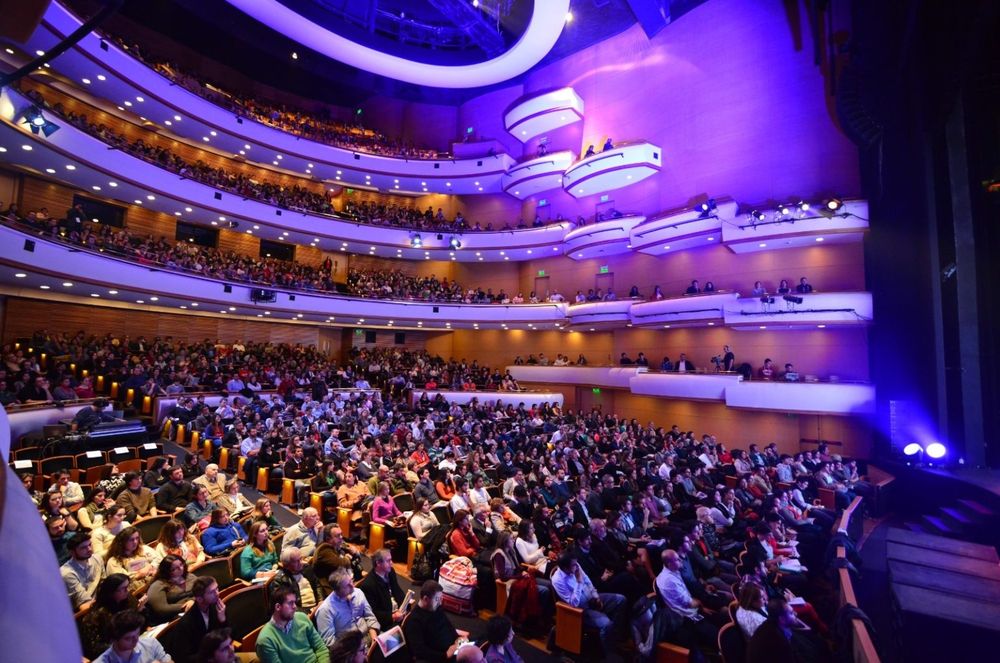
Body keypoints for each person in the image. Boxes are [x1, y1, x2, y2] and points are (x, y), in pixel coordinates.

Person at [550, 553, 625, 648]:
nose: (577, 566)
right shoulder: (557, 580)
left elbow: (587, 580)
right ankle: (606, 651)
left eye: (576, 563)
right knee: (607, 625)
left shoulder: (575, 565)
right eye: (574, 565)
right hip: (582, 610)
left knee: (621, 600)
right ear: (565, 568)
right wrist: (578, 582)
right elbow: (573, 603)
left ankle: (613, 635)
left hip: (592, 599)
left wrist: (596, 597)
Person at [655, 549, 721, 649]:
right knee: (719, 636)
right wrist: (701, 605)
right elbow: (689, 603)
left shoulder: (673, 571)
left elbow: (688, 596)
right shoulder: (669, 580)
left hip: (694, 611)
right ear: (669, 563)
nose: (681, 561)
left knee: (721, 619)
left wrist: (702, 607)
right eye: (677, 560)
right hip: (687, 619)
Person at [256, 586, 330, 663]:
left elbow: (321, 648)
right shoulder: (265, 640)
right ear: (278, 607)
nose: (295, 607)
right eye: (290, 603)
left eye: (294, 602)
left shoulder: (302, 618)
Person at [315, 568, 380, 648]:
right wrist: (356, 650)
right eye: (347, 586)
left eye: (351, 581)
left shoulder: (358, 592)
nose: (352, 586)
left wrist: (374, 639)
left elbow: (370, 616)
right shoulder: (325, 610)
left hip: (370, 635)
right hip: (350, 648)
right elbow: (329, 642)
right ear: (337, 590)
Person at [403, 580, 466, 663]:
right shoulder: (414, 621)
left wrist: (458, 638)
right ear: (426, 599)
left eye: (441, 598)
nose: (440, 602)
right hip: (440, 658)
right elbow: (420, 651)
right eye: (437, 599)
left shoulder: (436, 608)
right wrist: (446, 655)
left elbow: (448, 626)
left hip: (454, 648)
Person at [174, 577, 231, 663]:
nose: (217, 593)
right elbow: (184, 658)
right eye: (212, 592)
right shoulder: (186, 623)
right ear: (199, 599)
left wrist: (223, 620)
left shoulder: (217, 608)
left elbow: (230, 637)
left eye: (217, 589)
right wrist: (211, 656)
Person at [93, 609, 172, 663]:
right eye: (128, 638)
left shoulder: (151, 643)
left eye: (137, 634)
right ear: (113, 640)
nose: (136, 640)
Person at [359, 548, 406, 631]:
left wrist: (405, 606)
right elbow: (373, 613)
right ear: (378, 563)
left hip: (398, 612)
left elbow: (397, 591)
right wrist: (393, 616)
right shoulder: (368, 585)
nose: (391, 564)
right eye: (388, 561)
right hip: (386, 621)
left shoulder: (390, 572)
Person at [146, 554, 197, 623]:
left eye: (181, 564)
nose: (181, 569)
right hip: (173, 618)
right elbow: (161, 609)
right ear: (167, 571)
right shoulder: (158, 585)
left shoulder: (189, 576)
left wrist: (193, 601)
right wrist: (186, 606)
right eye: (174, 569)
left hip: (195, 608)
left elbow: (202, 591)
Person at [61, 531, 105, 611]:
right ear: (72, 552)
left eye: (89, 545)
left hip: (100, 602)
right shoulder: (67, 573)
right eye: (83, 548)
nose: (89, 549)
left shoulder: (97, 559)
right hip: (83, 611)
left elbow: (104, 584)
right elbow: (83, 603)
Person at [105, 527, 157, 593]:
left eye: (137, 538)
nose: (135, 542)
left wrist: (150, 567)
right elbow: (122, 580)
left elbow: (157, 559)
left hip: (152, 585)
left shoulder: (142, 549)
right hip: (135, 592)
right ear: (122, 542)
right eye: (131, 540)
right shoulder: (114, 561)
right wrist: (140, 574)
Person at [269, 546, 320, 613]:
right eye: (296, 561)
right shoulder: (280, 580)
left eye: (301, 559)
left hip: (317, 608)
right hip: (300, 613)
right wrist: (306, 613)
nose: (301, 562)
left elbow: (317, 585)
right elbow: (286, 605)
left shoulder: (306, 568)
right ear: (287, 565)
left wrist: (321, 601)